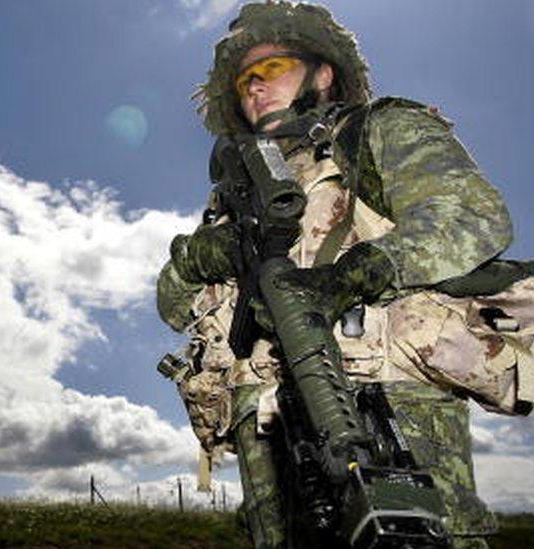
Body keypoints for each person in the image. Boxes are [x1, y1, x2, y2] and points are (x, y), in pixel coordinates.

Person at [156, 2, 533, 548]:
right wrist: (198, 256)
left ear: (323, 73)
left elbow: (470, 215)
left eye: (271, 70)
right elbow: (173, 303)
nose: (254, 88)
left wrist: (352, 275)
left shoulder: (375, 133)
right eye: (244, 81)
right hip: (268, 431)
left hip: (386, 407)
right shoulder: (234, 198)